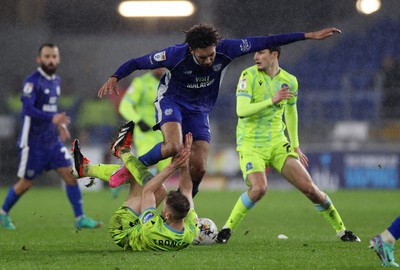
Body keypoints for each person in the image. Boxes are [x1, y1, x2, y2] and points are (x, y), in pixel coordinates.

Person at [98, 24, 342, 197]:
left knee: (199, 167)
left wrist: (309, 35)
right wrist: (115, 76)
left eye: (211, 55)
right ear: (191, 50)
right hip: (172, 101)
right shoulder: (174, 54)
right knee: (173, 147)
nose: (208, 61)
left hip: (200, 108)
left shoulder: (227, 48)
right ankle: (128, 168)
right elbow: (137, 62)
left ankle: (186, 199)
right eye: (203, 57)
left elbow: (266, 40)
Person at [216, 46, 360, 243]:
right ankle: (226, 230)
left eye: (261, 53)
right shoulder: (247, 75)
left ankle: (343, 231)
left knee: (310, 189)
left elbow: (291, 112)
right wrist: (272, 100)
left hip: (277, 144)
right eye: (255, 54)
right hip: (251, 145)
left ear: (274, 55)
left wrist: (295, 145)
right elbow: (241, 110)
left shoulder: (290, 81)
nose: (256, 57)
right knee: (259, 189)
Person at [0, 43, 102, 230]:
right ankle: (3, 213)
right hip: (33, 143)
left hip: (52, 141)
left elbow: (51, 109)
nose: (51, 60)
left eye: (54, 56)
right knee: (25, 184)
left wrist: (60, 124)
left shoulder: (56, 81)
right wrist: (52, 118)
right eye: (47, 56)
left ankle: (80, 218)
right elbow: (28, 109)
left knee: (70, 176)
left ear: (58, 58)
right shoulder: (32, 82)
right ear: (39, 59)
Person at [71, 122, 198, 251]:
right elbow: (187, 190)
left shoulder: (152, 229)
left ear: (168, 216)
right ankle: (86, 169)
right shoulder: (189, 233)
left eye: (164, 207)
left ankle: (122, 151)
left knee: (156, 188)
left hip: (122, 228)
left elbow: (148, 191)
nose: (162, 208)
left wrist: (173, 167)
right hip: (140, 227)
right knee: (141, 179)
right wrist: (185, 159)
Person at [113, 68, 170, 197]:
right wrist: (138, 121)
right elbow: (124, 106)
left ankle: (122, 175)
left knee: (161, 176)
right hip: (146, 134)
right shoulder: (141, 83)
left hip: (166, 134)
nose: (160, 68)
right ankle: (142, 209)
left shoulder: (170, 82)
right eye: (157, 65)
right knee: (149, 174)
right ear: (151, 67)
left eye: (163, 65)